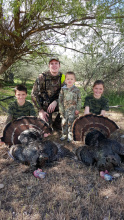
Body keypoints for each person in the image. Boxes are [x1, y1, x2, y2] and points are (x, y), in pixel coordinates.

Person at [31, 58, 65, 128]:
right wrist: (40, 111)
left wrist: (56, 101)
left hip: (58, 104)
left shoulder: (63, 77)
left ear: (59, 65)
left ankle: (58, 123)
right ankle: (48, 120)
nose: (54, 65)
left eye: (56, 63)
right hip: (45, 106)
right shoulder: (42, 77)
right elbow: (34, 94)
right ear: (49, 65)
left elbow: (67, 95)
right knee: (46, 127)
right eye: (52, 64)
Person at [59, 71, 81, 142]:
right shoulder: (63, 89)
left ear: (74, 80)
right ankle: (64, 134)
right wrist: (61, 109)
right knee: (64, 122)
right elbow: (60, 100)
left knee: (71, 122)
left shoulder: (77, 90)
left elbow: (79, 100)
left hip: (73, 110)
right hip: (64, 110)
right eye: (68, 79)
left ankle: (70, 135)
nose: (70, 81)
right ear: (65, 80)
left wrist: (78, 109)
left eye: (71, 79)